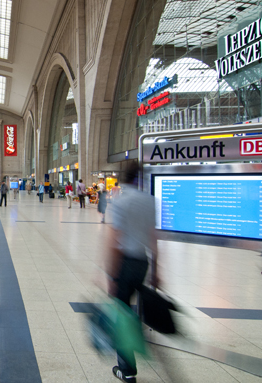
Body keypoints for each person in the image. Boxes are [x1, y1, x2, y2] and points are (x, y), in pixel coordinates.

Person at [106, 162, 159, 383]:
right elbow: (153, 236)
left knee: (122, 315)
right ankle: (142, 340)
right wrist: (157, 269)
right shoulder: (149, 201)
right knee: (136, 310)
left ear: (122, 179)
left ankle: (126, 369)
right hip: (142, 262)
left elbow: (113, 239)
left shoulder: (120, 201)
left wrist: (111, 273)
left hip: (124, 263)